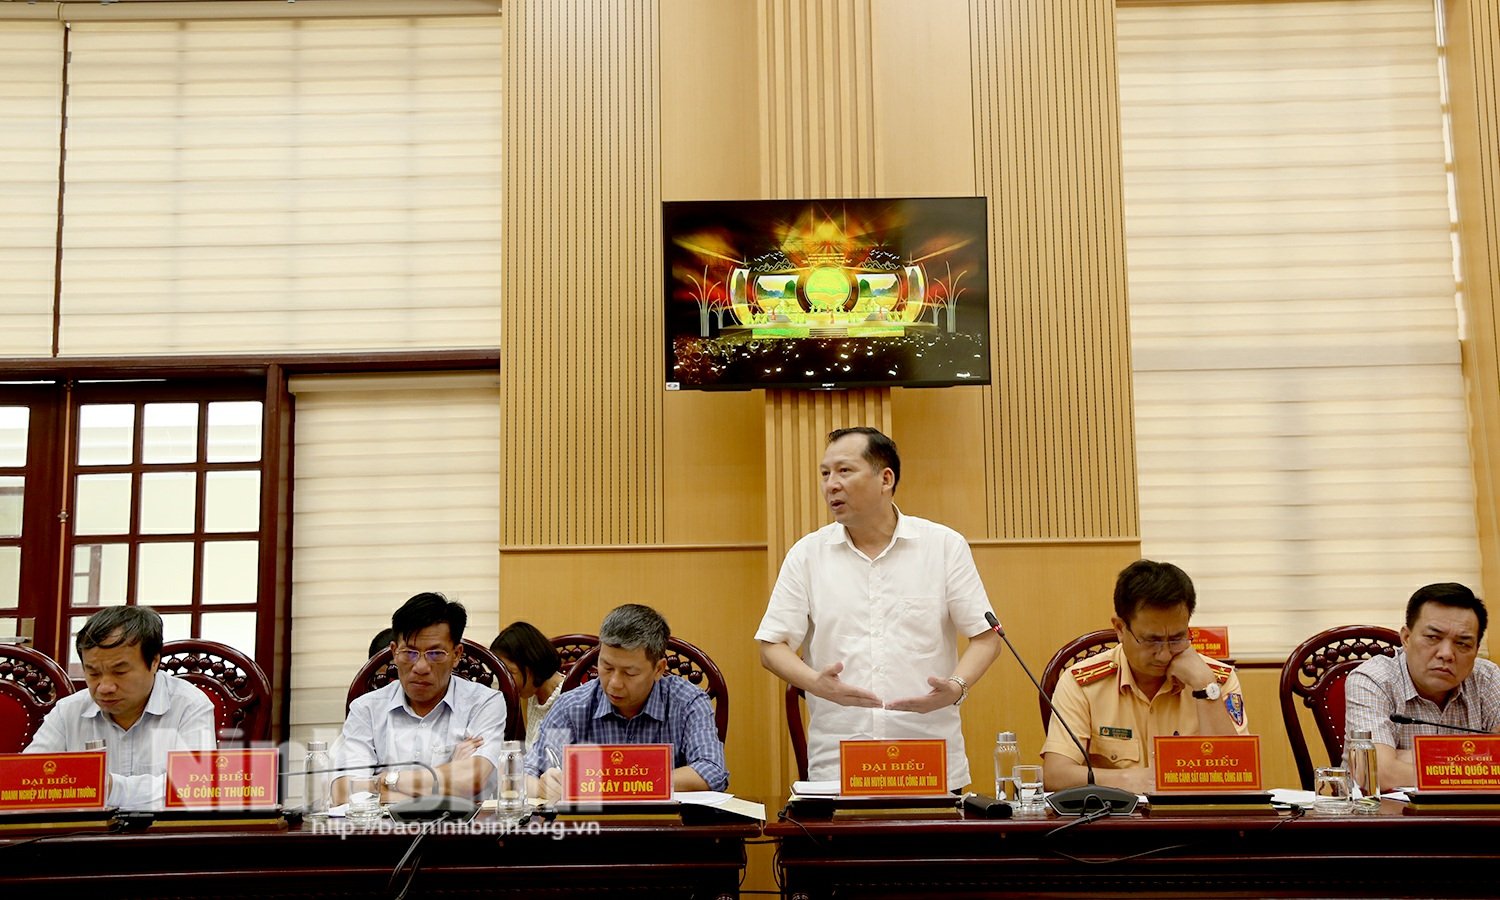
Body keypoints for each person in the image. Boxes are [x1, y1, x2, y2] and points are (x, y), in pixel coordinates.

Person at [755, 426, 1002, 791]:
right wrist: (816, 685)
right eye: (825, 474)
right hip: (840, 759)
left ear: (885, 478)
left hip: (928, 754)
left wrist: (957, 686)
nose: (831, 484)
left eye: (844, 471)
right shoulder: (807, 555)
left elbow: (987, 638)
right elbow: (771, 646)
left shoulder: (943, 547)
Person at [1041, 559, 1247, 794]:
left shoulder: (1216, 679)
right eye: (1152, 640)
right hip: (1115, 825)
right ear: (1120, 628)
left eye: (1177, 638)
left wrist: (1204, 686)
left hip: (1195, 822)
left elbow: (1238, 777)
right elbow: (1056, 775)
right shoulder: (1082, 683)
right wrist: (1128, 779)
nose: (1165, 653)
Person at [526, 604, 727, 800]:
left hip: (667, 829)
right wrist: (542, 787)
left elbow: (712, 770)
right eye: (606, 667)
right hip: (593, 828)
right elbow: (526, 775)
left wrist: (630, 781)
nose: (614, 683)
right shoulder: (571, 706)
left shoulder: (688, 702)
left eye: (629, 673)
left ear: (658, 669)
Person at [26, 605, 216, 808]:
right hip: (83, 836)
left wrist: (109, 788)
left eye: (120, 672)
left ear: (154, 662)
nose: (105, 687)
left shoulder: (189, 705)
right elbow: (26, 780)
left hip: (163, 836)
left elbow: (195, 789)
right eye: (93, 673)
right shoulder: (68, 711)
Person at [334, 592, 507, 802]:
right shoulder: (366, 709)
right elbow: (343, 792)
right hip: (384, 831)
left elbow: (471, 781)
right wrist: (450, 773)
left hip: (464, 831)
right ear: (394, 652)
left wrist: (385, 780)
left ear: (456, 655)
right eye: (409, 653)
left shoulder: (484, 703)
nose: (421, 667)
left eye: (435, 654)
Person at [1345, 582, 1500, 789]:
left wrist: (1403, 758)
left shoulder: (1488, 678)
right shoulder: (1373, 679)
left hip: (1474, 817)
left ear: (1476, 649)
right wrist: (1476, 762)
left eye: (1462, 643)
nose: (1446, 653)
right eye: (1433, 637)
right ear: (1406, 638)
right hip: (1389, 818)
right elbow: (1376, 773)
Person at [490, 621, 566, 747]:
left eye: (509, 672)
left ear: (531, 664)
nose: (505, 681)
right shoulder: (530, 695)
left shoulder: (569, 699)